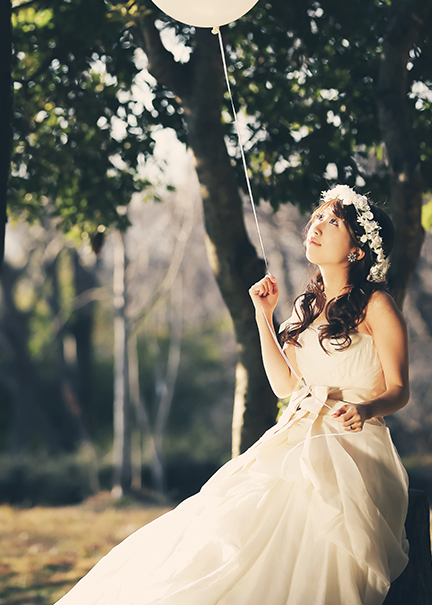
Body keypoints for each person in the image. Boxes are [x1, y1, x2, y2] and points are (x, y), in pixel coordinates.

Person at [54, 185, 410, 605]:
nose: (317, 225)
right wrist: (264, 315)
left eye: (334, 223)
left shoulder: (376, 305)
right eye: (318, 216)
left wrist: (365, 407)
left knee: (302, 535)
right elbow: (284, 387)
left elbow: (400, 389)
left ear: (357, 251)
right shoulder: (304, 308)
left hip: (352, 448)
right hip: (294, 439)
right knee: (223, 525)